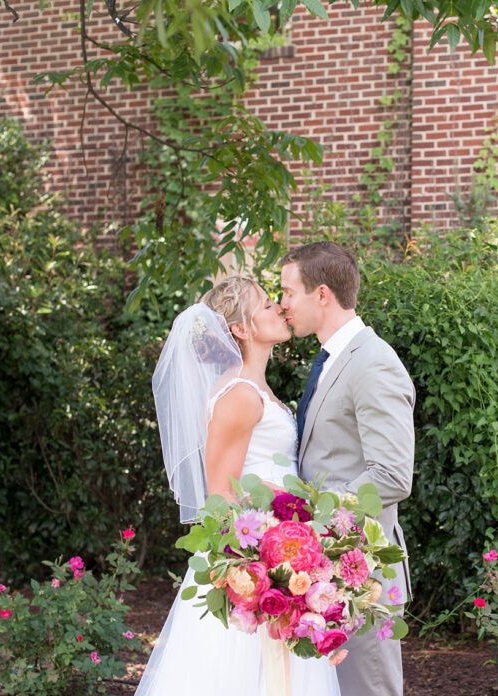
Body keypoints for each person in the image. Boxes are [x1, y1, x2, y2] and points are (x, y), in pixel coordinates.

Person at [137, 274, 341, 696]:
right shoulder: (240, 396)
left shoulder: (258, 390)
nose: (279, 308)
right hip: (251, 565)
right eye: (267, 304)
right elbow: (220, 494)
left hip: (280, 552)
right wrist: (260, 571)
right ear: (241, 329)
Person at [280, 242, 415, 696]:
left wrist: (317, 518)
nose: (282, 306)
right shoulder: (332, 360)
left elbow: (393, 474)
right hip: (326, 574)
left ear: (321, 294)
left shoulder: (373, 362)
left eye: (287, 293)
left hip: (364, 574)